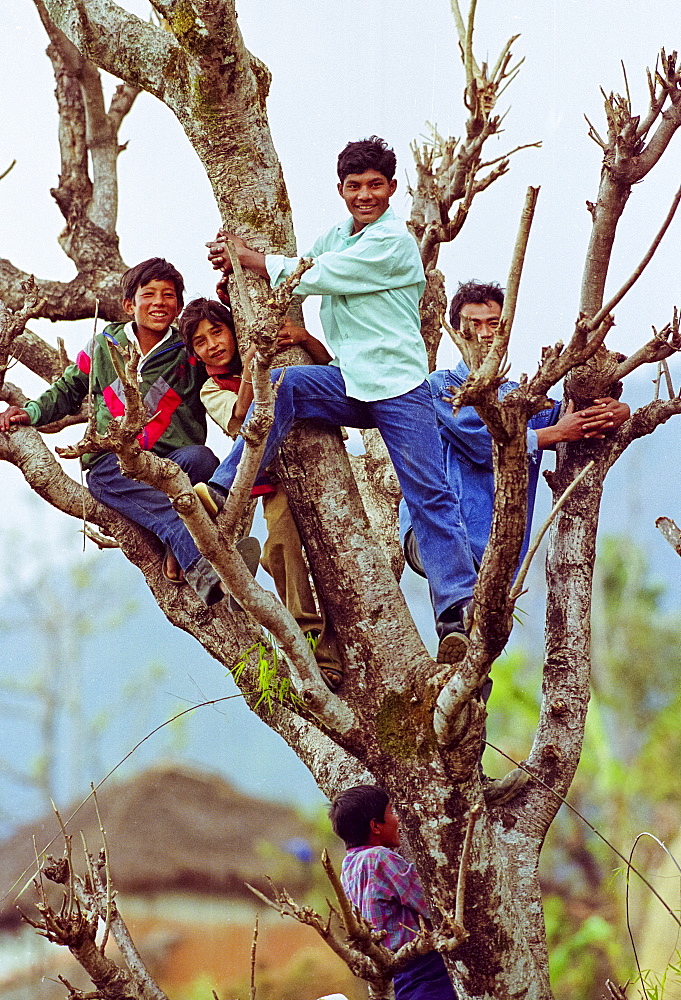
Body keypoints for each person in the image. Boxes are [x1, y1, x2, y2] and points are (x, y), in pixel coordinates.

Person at [196, 136, 480, 664]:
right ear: (342, 190)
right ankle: (219, 488)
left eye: (375, 185)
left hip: (399, 388)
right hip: (349, 380)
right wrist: (235, 271)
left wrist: (255, 259)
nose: (365, 195)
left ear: (393, 189)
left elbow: (322, 275)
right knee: (284, 388)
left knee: (428, 494)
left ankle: (456, 611)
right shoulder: (338, 235)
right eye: (355, 186)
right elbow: (300, 272)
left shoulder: (393, 241)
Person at [400, 280, 631, 650]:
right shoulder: (441, 386)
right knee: (458, 606)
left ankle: (466, 686)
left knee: (480, 649)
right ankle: (453, 625)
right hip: (440, 534)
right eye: (473, 323)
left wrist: (618, 410)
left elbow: (572, 418)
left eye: (493, 323)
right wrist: (555, 434)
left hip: (496, 550)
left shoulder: (520, 395)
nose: (483, 333)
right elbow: (483, 442)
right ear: (455, 330)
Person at [0, 258, 232, 606]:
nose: (159, 302)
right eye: (148, 294)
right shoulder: (104, 345)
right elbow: (67, 390)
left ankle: (174, 553)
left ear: (179, 306)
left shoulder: (189, 352)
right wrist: (30, 412)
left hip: (170, 460)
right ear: (129, 304)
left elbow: (228, 359)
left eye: (168, 295)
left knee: (202, 459)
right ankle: (207, 573)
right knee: (175, 511)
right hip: (113, 465)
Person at [178, 294, 343, 689]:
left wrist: (302, 337)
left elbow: (329, 368)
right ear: (196, 356)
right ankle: (311, 641)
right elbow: (239, 421)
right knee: (281, 549)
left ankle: (337, 638)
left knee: (336, 560)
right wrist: (257, 368)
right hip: (273, 480)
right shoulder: (212, 388)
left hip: (321, 462)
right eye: (201, 342)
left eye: (217, 332)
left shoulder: (282, 353)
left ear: (233, 332)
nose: (213, 344)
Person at [329, 784, 458, 1000]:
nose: (397, 818)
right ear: (375, 826)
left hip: (395, 974)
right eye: (391, 812)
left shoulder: (348, 866)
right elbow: (433, 904)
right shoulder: (380, 858)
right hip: (425, 967)